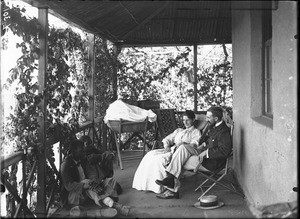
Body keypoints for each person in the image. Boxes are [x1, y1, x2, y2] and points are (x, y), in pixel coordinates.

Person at [155, 106, 232, 199]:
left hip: (212, 162)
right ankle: (171, 181)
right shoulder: (214, 126)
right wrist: (204, 144)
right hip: (203, 153)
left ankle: (172, 188)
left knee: (180, 159)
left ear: (216, 118)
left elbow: (225, 151)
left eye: (208, 117)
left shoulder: (224, 131)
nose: (206, 120)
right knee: (183, 148)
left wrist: (206, 152)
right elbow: (212, 141)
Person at [132, 110, 201, 197]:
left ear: (193, 120)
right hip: (171, 149)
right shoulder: (179, 130)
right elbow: (167, 139)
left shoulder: (196, 132)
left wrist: (183, 144)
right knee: (150, 155)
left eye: (188, 120)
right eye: (183, 120)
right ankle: (144, 184)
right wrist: (167, 146)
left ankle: (165, 184)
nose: (185, 122)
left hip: (182, 151)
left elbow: (194, 144)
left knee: (158, 160)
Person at [60, 139, 130, 216]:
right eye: (81, 151)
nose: (84, 152)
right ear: (73, 151)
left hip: (87, 191)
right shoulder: (66, 165)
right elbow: (69, 186)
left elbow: (90, 172)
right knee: (87, 182)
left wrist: (94, 181)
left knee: (110, 181)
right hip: (74, 196)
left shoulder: (82, 159)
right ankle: (116, 206)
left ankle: (107, 204)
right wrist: (88, 185)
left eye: (84, 150)